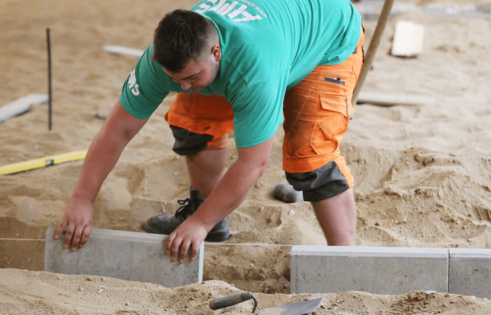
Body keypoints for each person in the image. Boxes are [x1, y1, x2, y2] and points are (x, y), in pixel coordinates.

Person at [56, 0, 364, 263]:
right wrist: (82, 199)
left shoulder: (255, 71)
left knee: (310, 158)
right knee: (193, 125)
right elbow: (117, 130)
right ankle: (208, 214)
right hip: (274, 32)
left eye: (191, 76)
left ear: (216, 52)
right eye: (174, 78)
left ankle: (345, 259)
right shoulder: (162, 60)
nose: (183, 86)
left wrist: (198, 226)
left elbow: (253, 162)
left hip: (328, 40)